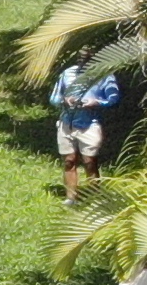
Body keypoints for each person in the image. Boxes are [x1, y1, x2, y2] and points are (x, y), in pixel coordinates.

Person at [49, 58, 124, 199]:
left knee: (90, 162)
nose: (83, 59)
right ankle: (71, 198)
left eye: (87, 56)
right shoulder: (67, 73)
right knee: (69, 161)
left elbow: (114, 98)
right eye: (81, 56)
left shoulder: (105, 75)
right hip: (67, 123)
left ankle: (94, 196)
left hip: (89, 124)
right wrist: (65, 100)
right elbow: (54, 98)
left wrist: (97, 102)